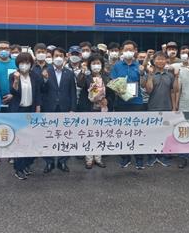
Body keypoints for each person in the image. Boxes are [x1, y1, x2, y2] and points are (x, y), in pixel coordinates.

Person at [41, 47, 77, 173]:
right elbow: (42, 90)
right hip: (49, 107)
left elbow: (72, 92)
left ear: (65, 57)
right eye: (56, 55)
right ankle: (49, 162)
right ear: (52, 57)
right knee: (48, 136)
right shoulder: (46, 71)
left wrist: (73, 109)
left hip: (64, 108)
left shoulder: (69, 73)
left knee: (64, 136)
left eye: (61, 56)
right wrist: (45, 79)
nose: (58, 58)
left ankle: (63, 161)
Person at [111, 40, 145, 169]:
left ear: (135, 51)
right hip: (121, 102)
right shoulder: (117, 66)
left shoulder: (139, 66)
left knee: (137, 131)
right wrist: (118, 89)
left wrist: (143, 73)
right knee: (123, 131)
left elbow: (144, 85)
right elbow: (113, 82)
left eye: (131, 49)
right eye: (126, 50)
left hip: (137, 102)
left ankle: (139, 158)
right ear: (122, 51)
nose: (128, 52)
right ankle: (125, 157)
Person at [9, 52, 42, 180]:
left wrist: (38, 108)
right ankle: (18, 168)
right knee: (20, 141)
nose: (24, 65)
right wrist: (16, 80)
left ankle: (26, 164)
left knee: (31, 140)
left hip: (31, 109)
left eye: (27, 63)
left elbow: (38, 93)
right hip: (18, 110)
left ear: (31, 64)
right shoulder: (13, 75)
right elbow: (13, 92)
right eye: (22, 63)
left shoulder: (34, 75)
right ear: (17, 64)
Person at [77, 54, 113, 169]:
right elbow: (79, 83)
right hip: (88, 109)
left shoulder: (106, 77)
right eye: (93, 63)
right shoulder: (86, 77)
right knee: (88, 135)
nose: (96, 65)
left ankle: (98, 158)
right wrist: (82, 72)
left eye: (98, 63)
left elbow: (111, 93)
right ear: (89, 65)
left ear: (102, 65)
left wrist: (107, 100)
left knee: (100, 134)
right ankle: (89, 159)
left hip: (102, 110)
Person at [145, 51, 179, 167]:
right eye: (158, 59)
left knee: (165, 134)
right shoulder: (150, 74)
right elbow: (149, 90)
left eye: (163, 59)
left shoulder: (170, 75)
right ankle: (152, 156)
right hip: (153, 107)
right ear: (154, 61)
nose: (160, 61)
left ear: (166, 61)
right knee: (152, 134)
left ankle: (162, 156)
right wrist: (150, 75)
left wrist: (174, 107)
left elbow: (174, 90)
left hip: (167, 107)